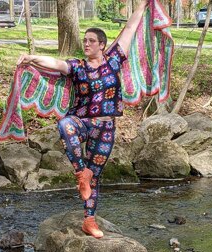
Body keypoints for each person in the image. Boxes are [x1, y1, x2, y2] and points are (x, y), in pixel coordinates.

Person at [17, 0, 149, 239]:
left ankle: (89, 221)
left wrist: (141, 6)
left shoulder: (114, 61)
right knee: (64, 124)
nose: (86, 44)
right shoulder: (78, 67)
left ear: (102, 45)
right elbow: (55, 63)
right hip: (83, 122)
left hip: (106, 127)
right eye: (85, 40)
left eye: (91, 41)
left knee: (96, 176)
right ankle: (81, 173)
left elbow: (130, 29)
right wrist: (31, 58)